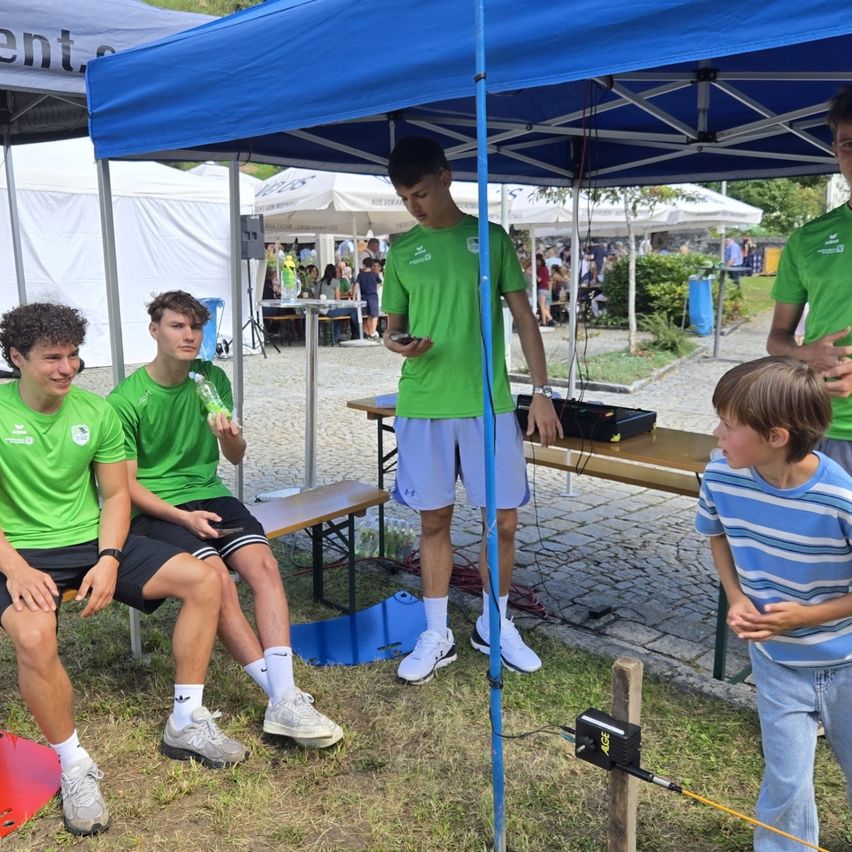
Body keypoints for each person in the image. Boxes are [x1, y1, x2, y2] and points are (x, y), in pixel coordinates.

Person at [0, 303, 248, 837]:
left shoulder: (96, 411)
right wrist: (16, 570)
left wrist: (110, 560)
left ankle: (186, 721)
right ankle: (73, 765)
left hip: (90, 541)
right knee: (35, 634)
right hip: (15, 550)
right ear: (17, 357)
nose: (66, 368)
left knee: (206, 578)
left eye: (73, 356)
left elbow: (115, 496)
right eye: (51, 358)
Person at [106, 291, 343, 749]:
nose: (189, 335)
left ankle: (286, 695)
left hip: (210, 493)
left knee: (265, 567)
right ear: (154, 330)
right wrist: (181, 518)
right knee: (217, 579)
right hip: (156, 508)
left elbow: (235, 457)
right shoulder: (126, 399)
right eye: (177, 326)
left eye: (196, 327)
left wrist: (230, 437)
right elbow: (127, 488)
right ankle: (280, 697)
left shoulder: (210, 379)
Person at [381, 136, 562, 684]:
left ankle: (495, 622)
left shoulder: (491, 239)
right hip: (424, 402)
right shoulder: (401, 251)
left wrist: (542, 391)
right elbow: (390, 330)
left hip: (489, 403)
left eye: (420, 193)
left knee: (501, 522)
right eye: (404, 197)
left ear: (446, 177)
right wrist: (398, 343)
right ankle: (436, 633)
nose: (414, 206)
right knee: (434, 519)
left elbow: (526, 320)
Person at [695, 356, 852, 852]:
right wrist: (736, 597)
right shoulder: (721, 475)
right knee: (785, 781)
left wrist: (811, 616)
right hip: (776, 661)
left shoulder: (840, 497)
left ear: (776, 437)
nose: (717, 433)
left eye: (729, 423)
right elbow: (716, 533)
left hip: (847, 663)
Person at [767, 86, 852, 474]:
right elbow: (777, 339)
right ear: (835, 150)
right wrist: (806, 354)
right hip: (820, 425)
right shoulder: (808, 239)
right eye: (849, 144)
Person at [316, 263, 360, 341]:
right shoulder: (335, 282)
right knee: (353, 309)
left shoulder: (319, 282)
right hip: (330, 310)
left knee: (337, 314)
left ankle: (336, 335)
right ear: (334, 273)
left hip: (320, 310)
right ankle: (356, 333)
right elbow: (337, 300)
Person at [355, 257, 381, 339]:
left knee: (368, 316)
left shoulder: (360, 275)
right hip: (373, 296)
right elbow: (380, 283)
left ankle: (368, 332)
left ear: (364, 265)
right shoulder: (374, 275)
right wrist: (375, 289)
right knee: (374, 315)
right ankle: (373, 333)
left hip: (364, 296)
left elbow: (356, 285)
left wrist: (353, 297)